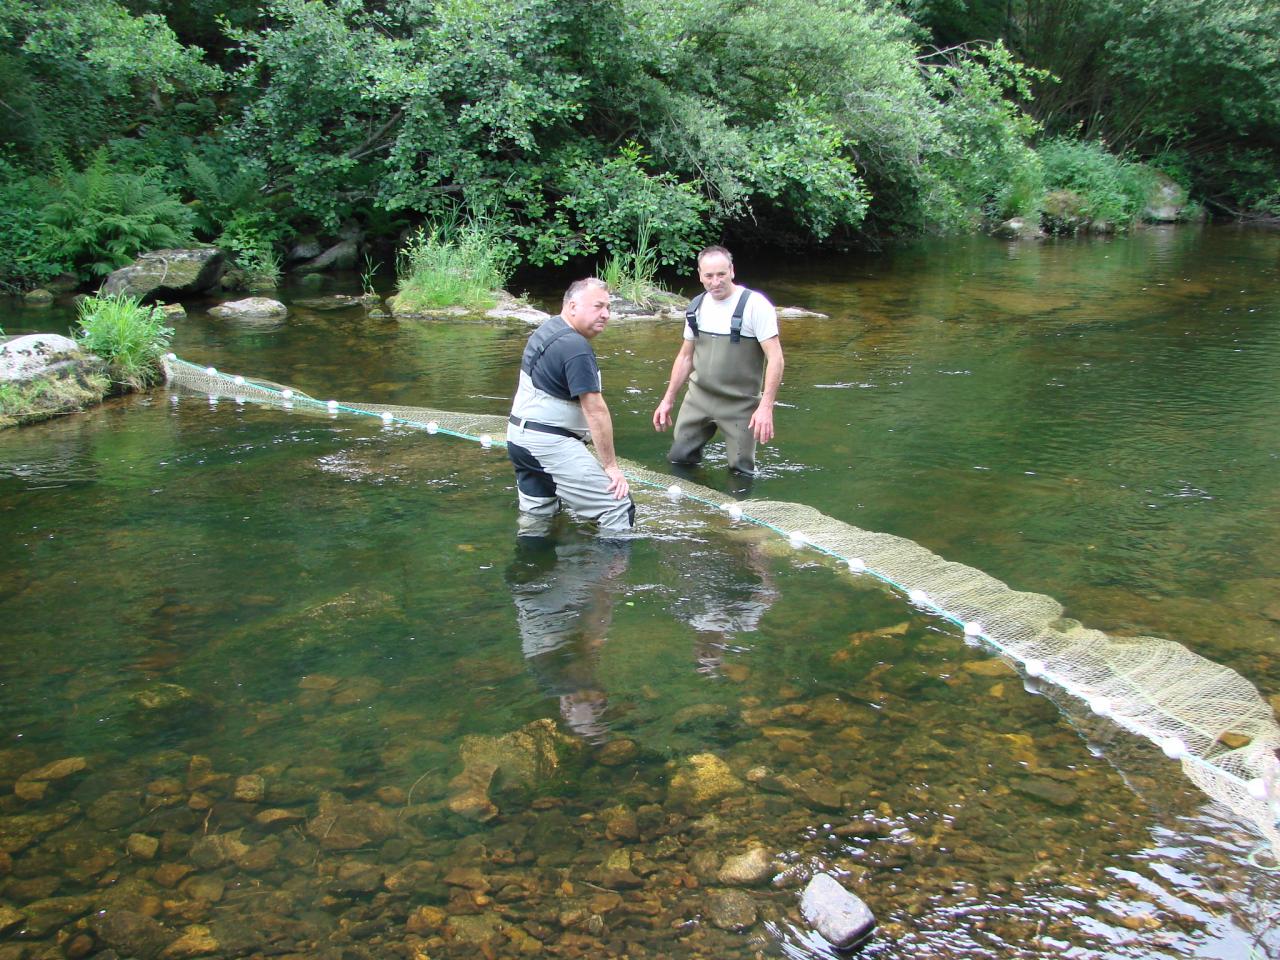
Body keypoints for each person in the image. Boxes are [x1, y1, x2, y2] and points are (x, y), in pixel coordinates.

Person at [506, 277, 633, 537]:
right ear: (573, 306)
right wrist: (610, 467)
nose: (606, 314)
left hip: (518, 440)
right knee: (618, 507)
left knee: (539, 515)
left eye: (608, 307)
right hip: (548, 443)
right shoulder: (576, 347)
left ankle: (533, 571)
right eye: (598, 306)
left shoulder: (547, 329)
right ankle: (611, 577)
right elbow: (595, 410)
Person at [652, 246, 784, 475]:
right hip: (698, 399)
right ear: (700, 275)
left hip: (740, 404)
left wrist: (765, 407)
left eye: (721, 274)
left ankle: (734, 510)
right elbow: (685, 357)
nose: (715, 282)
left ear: (732, 271)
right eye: (709, 276)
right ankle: (690, 509)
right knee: (679, 459)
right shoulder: (696, 307)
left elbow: (776, 358)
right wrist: (668, 400)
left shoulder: (756, 305)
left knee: (741, 470)